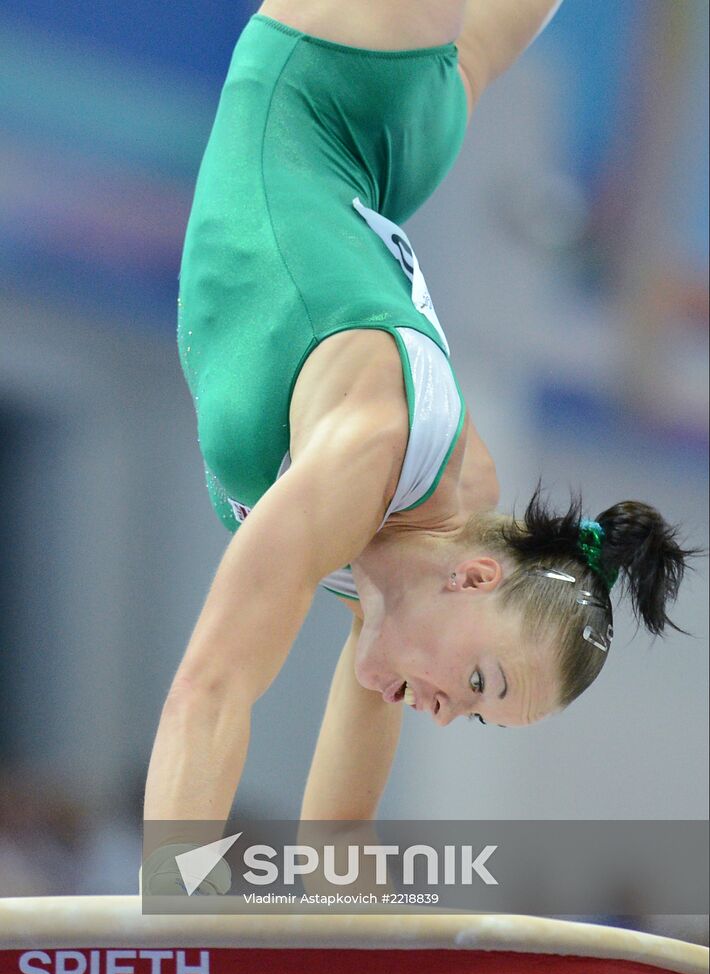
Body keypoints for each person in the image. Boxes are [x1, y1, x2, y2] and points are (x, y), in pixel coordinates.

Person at [143, 0, 702, 854]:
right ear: (476, 579)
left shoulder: (400, 570)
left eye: (478, 713)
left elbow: (339, 849)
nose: (449, 712)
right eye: (481, 681)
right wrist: (184, 945)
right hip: (339, 52)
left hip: (388, 133)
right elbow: (208, 690)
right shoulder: (364, 460)